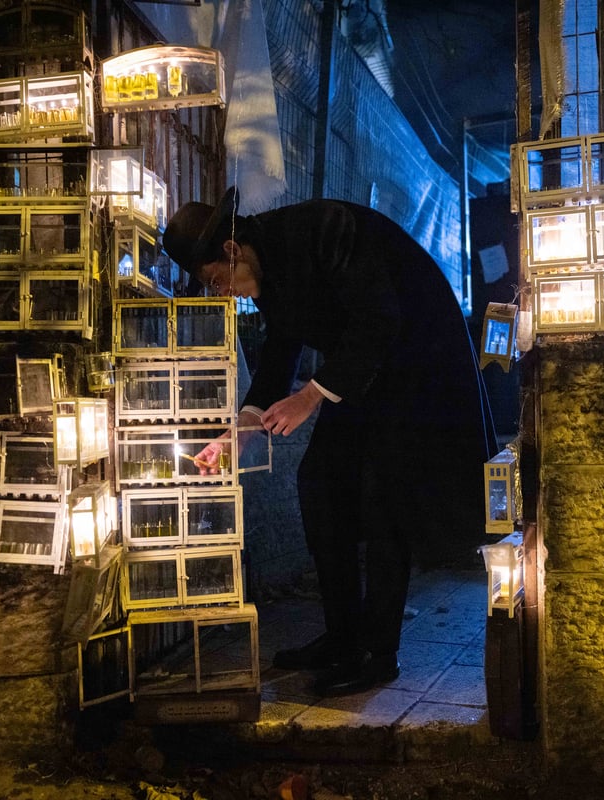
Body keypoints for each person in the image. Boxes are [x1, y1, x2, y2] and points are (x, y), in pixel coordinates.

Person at [162, 187, 495, 697]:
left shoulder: (323, 228)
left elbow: (379, 318)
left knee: (384, 501)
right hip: (359, 375)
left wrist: (311, 397)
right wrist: (238, 435)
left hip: (417, 363)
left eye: (215, 280)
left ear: (231, 251)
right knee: (319, 483)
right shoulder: (268, 274)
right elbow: (279, 356)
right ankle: (342, 638)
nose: (223, 292)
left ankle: (377, 655)